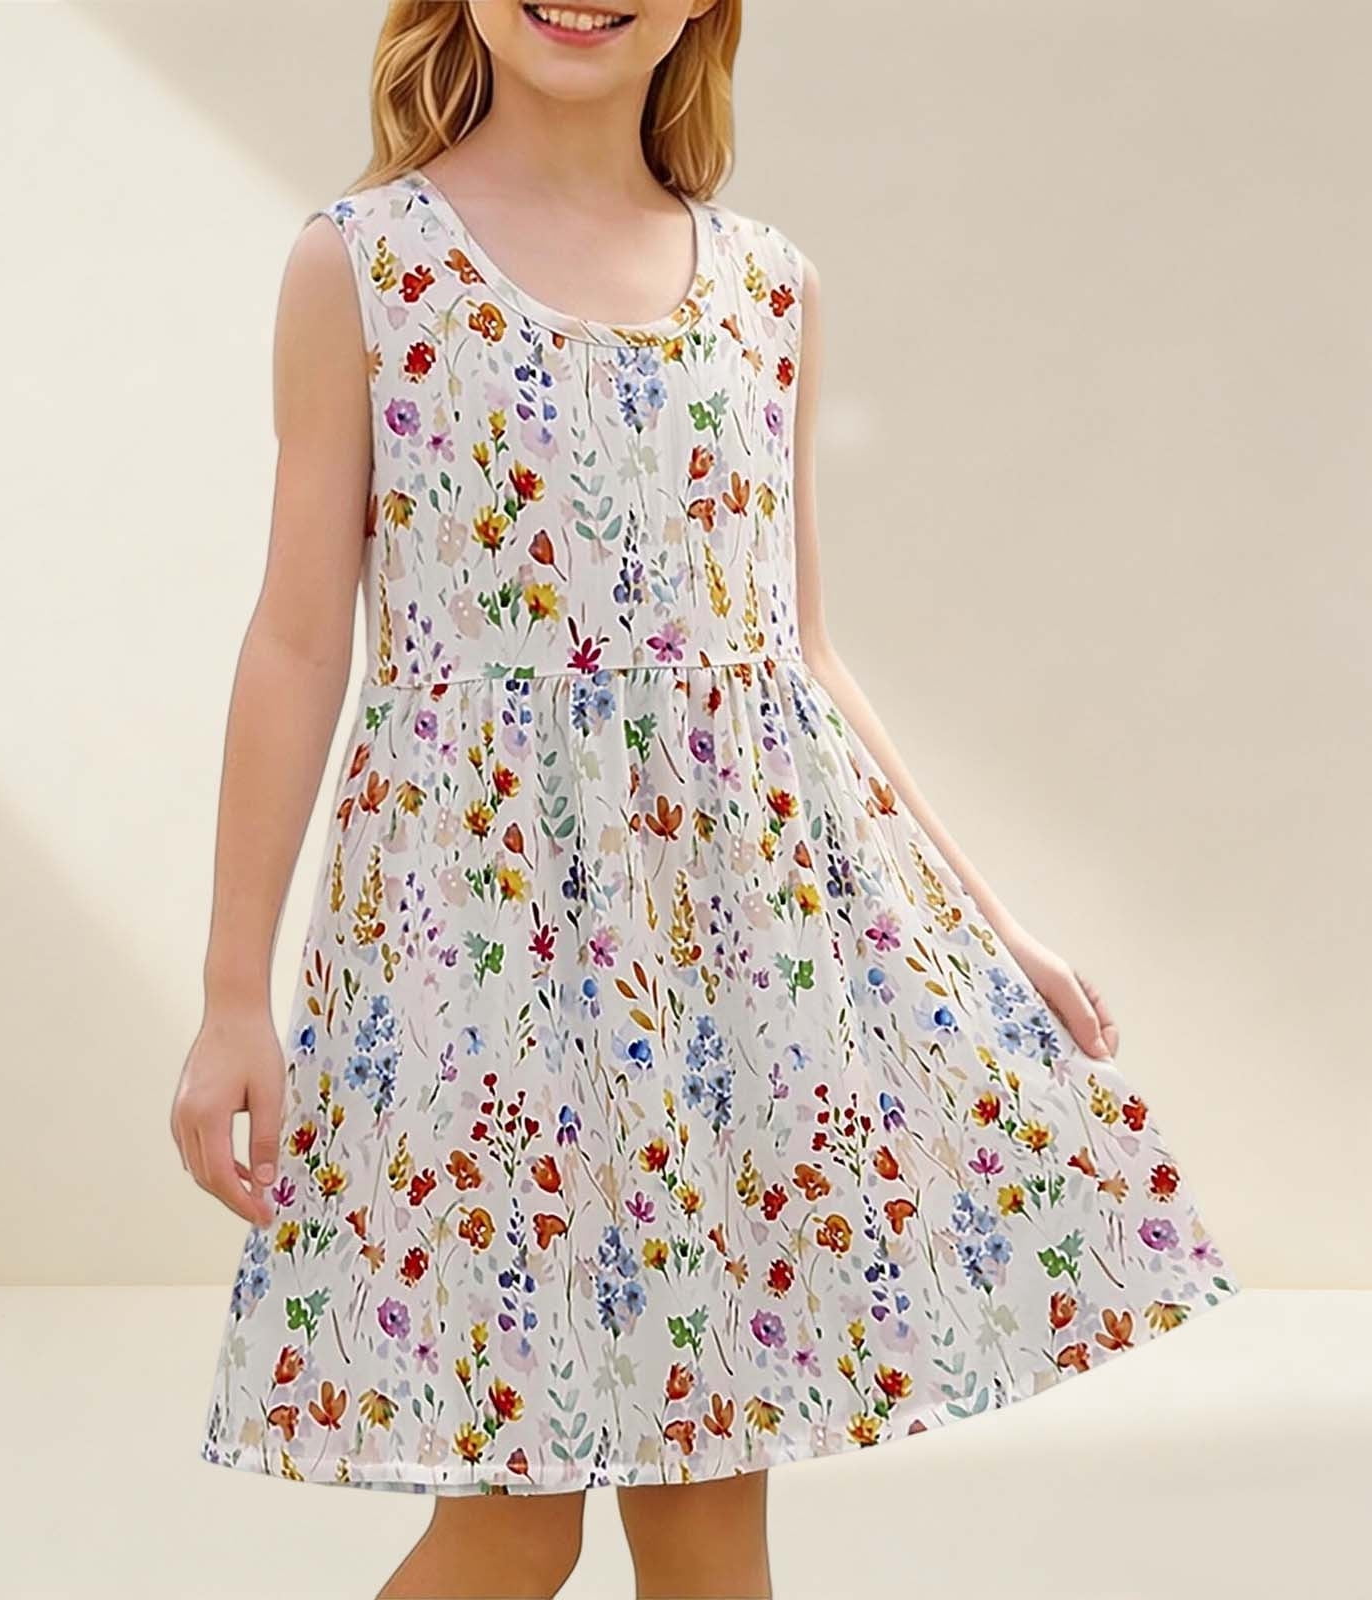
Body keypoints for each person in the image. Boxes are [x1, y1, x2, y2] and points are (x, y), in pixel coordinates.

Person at [173, 3, 1243, 1595]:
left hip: (728, 975)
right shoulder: (364, 267)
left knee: (707, 1521)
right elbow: (295, 638)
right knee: (510, 1526)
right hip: (483, 967)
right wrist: (230, 992)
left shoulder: (768, 288)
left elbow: (795, 652)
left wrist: (994, 927)